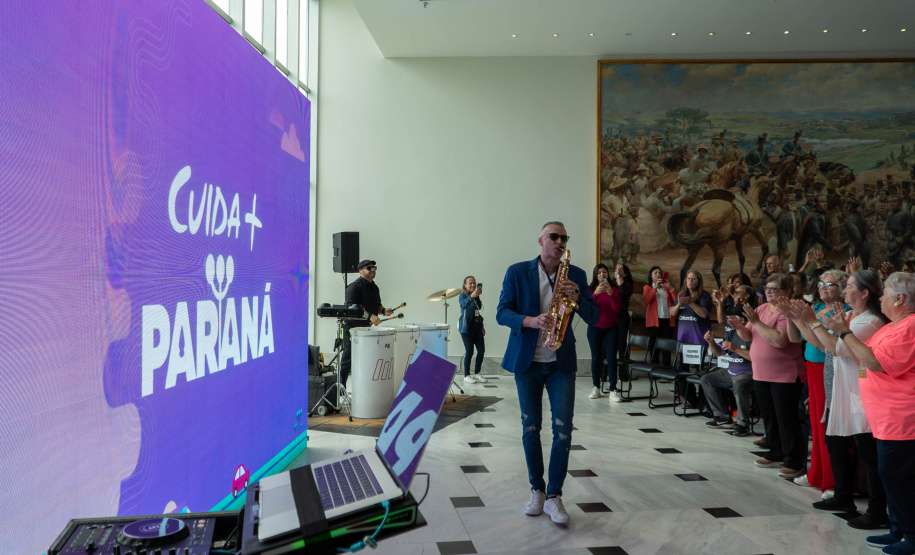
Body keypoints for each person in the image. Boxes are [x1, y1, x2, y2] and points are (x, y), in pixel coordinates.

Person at [496, 222, 598, 526]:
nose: (560, 241)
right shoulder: (517, 272)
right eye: (554, 236)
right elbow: (502, 311)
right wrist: (529, 320)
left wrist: (578, 297)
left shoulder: (576, 275)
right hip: (527, 363)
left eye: (564, 238)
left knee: (563, 430)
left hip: (560, 363)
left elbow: (594, 316)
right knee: (530, 429)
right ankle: (536, 490)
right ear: (541, 240)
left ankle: (554, 496)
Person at [780, 271, 888, 528]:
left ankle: (877, 510)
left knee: (868, 453)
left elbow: (835, 347)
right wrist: (800, 319)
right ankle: (842, 496)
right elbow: (818, 343)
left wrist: (812, 321)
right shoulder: (850, 316)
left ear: (864, 293)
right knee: (836, 443)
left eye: (849, 286)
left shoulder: (869, 321)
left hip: (861, 393)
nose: (845, 291)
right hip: (843, 390)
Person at [819, 272, 915, 554]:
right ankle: (898, 531)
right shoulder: (892, 326)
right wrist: (840, 330)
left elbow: (873, 362)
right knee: (890, 477)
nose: (880, 297)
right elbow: (862, 356)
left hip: (902, 418)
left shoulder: (910, 327)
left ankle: (911, 536)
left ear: (899, 298)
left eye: (884, 293)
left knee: (898, 478)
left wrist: (844, 332)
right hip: (885, 418)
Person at [731, 274, 806, 478]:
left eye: (774, 288)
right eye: (767, 288)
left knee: (786, 418)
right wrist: (739, 327)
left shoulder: (787, 311)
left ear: (787, 292)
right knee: (770, 416)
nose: (769, 291)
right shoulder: (762, 309)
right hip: (761, 373)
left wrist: (756, 322)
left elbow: (780, 341)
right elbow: (749, 336)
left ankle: (795, 461)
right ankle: (775, 452)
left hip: (785, 374)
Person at [782, 270, 848, 496]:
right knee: (816, 426)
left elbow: (821, 344)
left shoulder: (842, 312)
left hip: (829, 370)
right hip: (812, 368)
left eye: (830, 283)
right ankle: (816, 473)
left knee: (826, 426)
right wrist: (792, 316)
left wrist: (803, 320)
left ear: (843, 288)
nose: (823, 286)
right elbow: (796, 338)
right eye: (821, 283)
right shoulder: (818, 309)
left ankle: (831, 481)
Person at [702, 285, 755, 436]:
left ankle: (743, 424)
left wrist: (737, 349)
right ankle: (723, 417)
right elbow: (719, 352)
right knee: (707, 379)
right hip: (730, 371)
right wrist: (711, 342)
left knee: (739, 385)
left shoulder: (752, 334)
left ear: (743, 320)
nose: (729, 321)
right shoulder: (732, 333)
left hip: (748, 374)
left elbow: (755, 357)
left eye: (733, 318)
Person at [341, 260, 393, 388]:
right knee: (348, 359)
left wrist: (383, 311)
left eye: (374, 267)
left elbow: (377, 306)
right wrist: (370, 316)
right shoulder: (354, 287)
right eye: (369, 268)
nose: (372, 270)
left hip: (366, 329)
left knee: (366, 358)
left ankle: (364, 388)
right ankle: (340, 389)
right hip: (351, 328)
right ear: (361, 271)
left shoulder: (375, 287)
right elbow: (351, 308)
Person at [586, 264, 622, 401]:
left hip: (611, 328)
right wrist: (595, 294)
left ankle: (613, 389)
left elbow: (617, 309)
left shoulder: (615, 289)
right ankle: (596, 387)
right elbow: (589, 308)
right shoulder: (590, 290)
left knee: (611, 358)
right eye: (599, 272)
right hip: (595, 327)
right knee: (596, 358)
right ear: (596, 275)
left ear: (608, 274)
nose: (602, 275)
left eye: (605, 272)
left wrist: (611, 295)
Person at [643, 266, 677, 365]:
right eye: (656, 273)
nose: (658, 275)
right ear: (651, 275)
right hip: (654, 321)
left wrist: (671, 287)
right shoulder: (647, 287)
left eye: (659, 273)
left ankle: (667, 368)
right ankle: (654, 368)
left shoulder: (666, 287)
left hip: (667, 320)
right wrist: (655, 288)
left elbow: (676, 300)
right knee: (654, 346)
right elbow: (646, 300)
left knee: (667, 345)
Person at [458, 276, 486, 384]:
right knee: (469, 351)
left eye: (474, 283)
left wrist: (482, 326)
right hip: (466, 328)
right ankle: (466, 375)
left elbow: (477, 311)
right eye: (470, 283)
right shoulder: (463, 295)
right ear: (465, 285)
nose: (473, 285)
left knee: (481, 350)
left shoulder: (476, 296)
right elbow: (463, 305)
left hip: (477, 327)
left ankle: (477, 373)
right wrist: (471, 297)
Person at [614, 263, 635, 380]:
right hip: (611, 315)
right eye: (616, 270)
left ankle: (623, 374)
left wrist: (619, 275)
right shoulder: (611, 282)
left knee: (622, 345)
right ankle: (606, 373)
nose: (617, 272)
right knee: (609, 344)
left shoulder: (628, 283)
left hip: (622, 315)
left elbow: (623, 292)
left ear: (625, 273)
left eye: (620, 270)